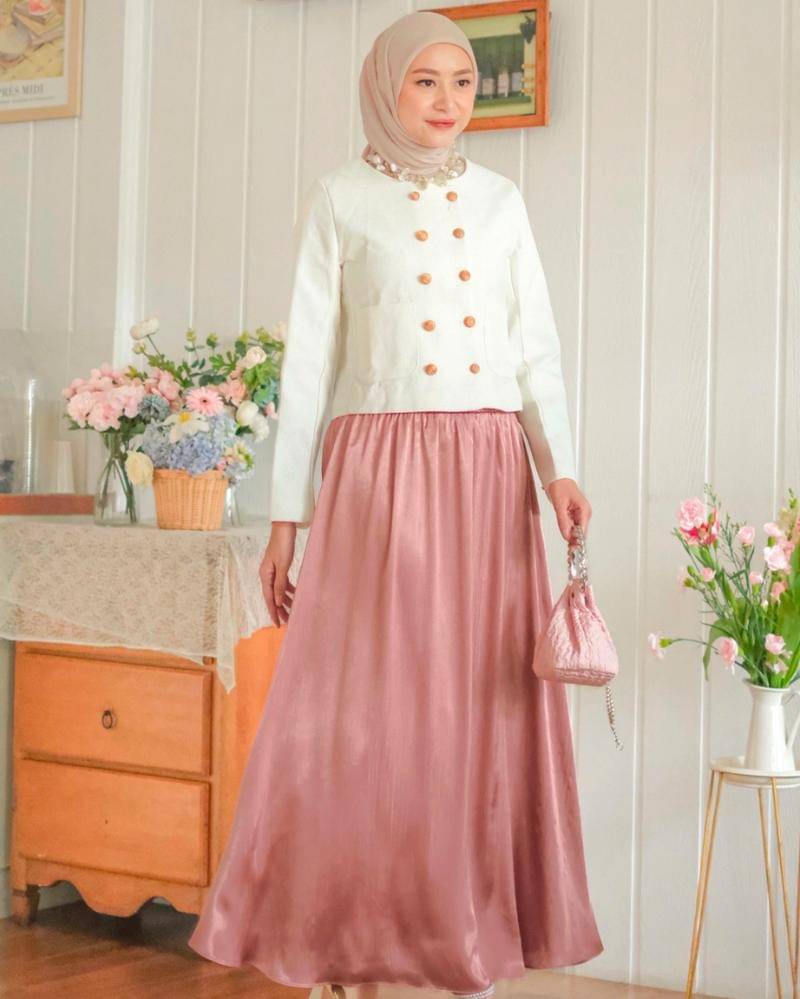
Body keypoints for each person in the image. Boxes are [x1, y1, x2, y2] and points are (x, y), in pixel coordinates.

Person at [188, 11, 603, 997]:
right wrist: (285, 520)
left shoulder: (501, 203)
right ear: (385, 87)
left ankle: (466, 933)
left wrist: (559, 469)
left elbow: (534, 348)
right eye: (425, 81)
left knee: (480, 702)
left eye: (462, 82)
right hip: (377, 472)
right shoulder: (339, 198)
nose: (447, 101)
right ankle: (353, 937)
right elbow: (308, 365)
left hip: (489, 468)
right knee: (367, 705)